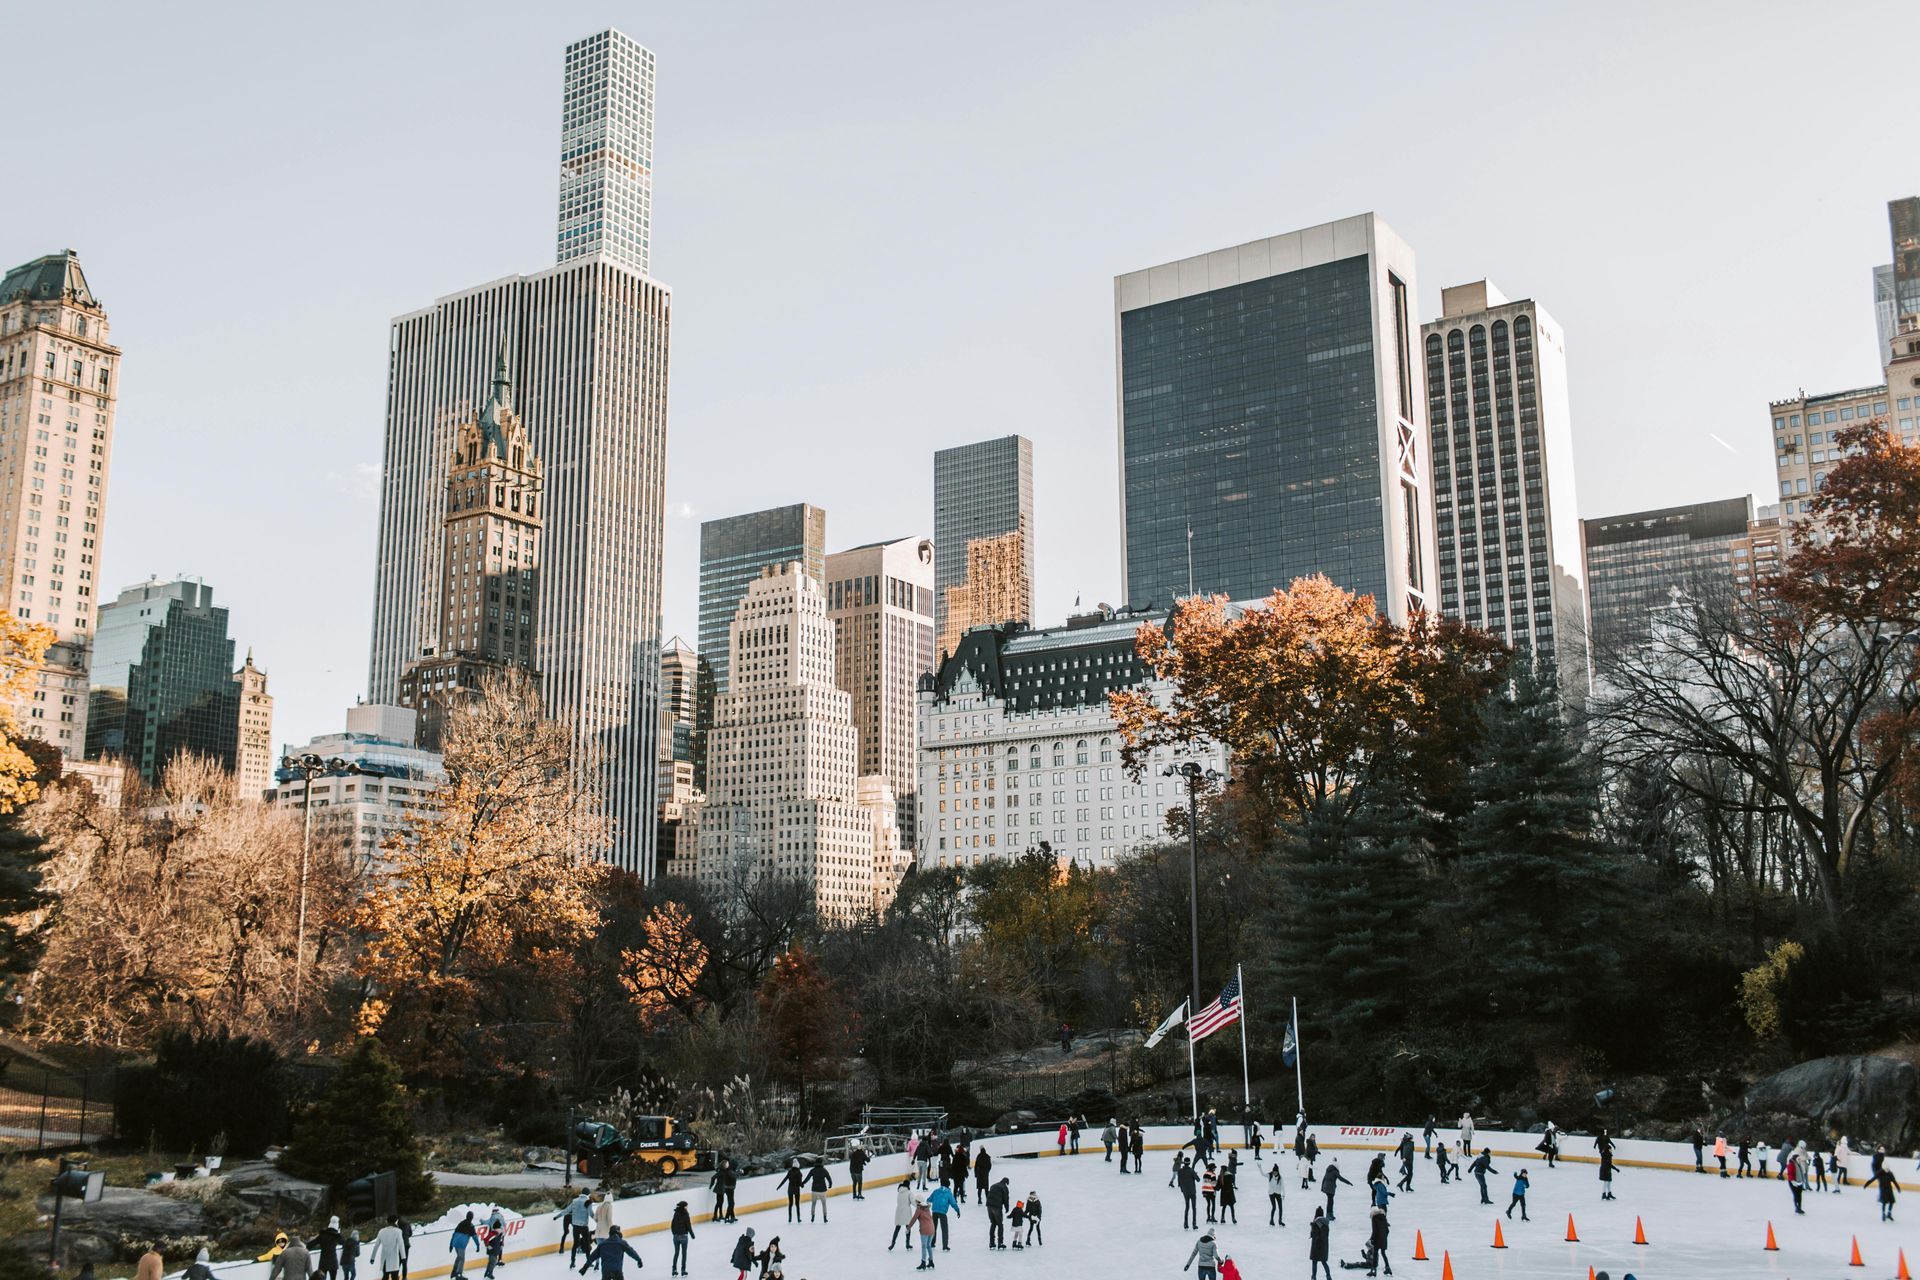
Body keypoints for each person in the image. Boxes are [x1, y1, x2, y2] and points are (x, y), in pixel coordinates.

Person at [557, 1192, 594, 1264]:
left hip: (574, 1222)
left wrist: (558, 1216)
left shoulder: (575, 1203)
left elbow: (567, 1210)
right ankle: (563, 1248)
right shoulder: (580, 1203)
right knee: (567, 1233)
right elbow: (567, 1211)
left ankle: (573, 1260)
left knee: (574, 1240)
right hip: (572, 1221)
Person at [929, 1181, 959, 1250]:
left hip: (935, 1212)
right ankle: (945, 1246)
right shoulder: (948, 1193)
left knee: (933, 1228)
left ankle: (932, 1243)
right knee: (944, 1229)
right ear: (948, 1186)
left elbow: (929, 1199)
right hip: (942, 1213)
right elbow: (953, 1203)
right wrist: (957, 1210)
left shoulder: (936, 1191)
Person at [667, 1202, 693, 1278]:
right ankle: (683, 1270)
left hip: (676, 1237)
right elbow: (688, 1226)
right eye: (686, 1206)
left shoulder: (676, 1213)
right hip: (683, 1236)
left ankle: (674, 1270)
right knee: (684, 1254)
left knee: (676, 1253)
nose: (687, 1207)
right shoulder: (686, 1214)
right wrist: (692, 1235)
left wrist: (674, 1234)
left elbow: (672, 1225)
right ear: (684, 1207)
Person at [1321, 1156, 1351, 1221]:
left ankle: (1330, 1214)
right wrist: (1348, 1182)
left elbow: (1324, 1178)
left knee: (1330, 1201)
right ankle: (1328, 1215)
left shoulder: (1328, 1170)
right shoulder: (1335, 1171)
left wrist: (1322, 1188)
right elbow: (1340, 1178)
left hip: (1326, 1187)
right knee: (1330, 1202)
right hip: (1330, 1188)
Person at [449, 1214, 478, 1280]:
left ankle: (454, 1272)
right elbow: (474, 1237)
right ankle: (459, 1274)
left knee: (459, 1257)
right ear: (472, 1218)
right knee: (462, 1259)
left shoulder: (461, 1223)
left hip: (455, 1243)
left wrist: (451, 1245)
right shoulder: (471, 1226)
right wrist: (478, 1245)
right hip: (461, 1244)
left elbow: (454, 1234)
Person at [1367, 1204, 1393, 1277]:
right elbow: (1387, 1230)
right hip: (1384, 1239)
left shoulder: (1374, 1218)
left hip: (1377, 1239)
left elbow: (1374, 1231)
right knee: (1383, 1253)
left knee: (1375, 1254)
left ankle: (1373, 1270)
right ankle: (1388, 1268)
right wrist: (1384, 1237)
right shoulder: (1384, 1217)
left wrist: (1371, 1239)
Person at [710, 1156, 738, 1223]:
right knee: (719, 1203)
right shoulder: (721, 1172)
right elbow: (713, 1177)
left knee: (721, 1202)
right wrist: (711, 1185)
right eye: (726, 1165)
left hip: (723, 1189)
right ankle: (715, 1216)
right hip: (719, 1189)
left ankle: (721, 1215)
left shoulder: (726, 1171)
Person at [913, 1196, 936, 1271]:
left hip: (925, 1230)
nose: (915, 1203)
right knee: (928, 1246)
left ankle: (923, 1263)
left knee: (924, 1246)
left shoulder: (919, 1209)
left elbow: (914, 1219)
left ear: (919, 1202)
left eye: (916, 1201)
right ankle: (931, 1262)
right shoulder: (927, 1208)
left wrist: (908, 1228)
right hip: (932, 1229)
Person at [987, 1176, 1011, 1248]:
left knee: (993, 1223)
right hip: (997, 1207)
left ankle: (991, 1243)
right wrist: (1007, 1208)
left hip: (989, 1206)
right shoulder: (1004, 1187)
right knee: (1000, 1224)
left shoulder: (993, 1185)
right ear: (1006, 1183)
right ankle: (1000, 1243)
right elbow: (1006, 1198)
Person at [806, 1157, 833, 1222]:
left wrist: (802, 1184)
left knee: (813, 1204)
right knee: (824, 1204)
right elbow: (829, 1178)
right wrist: (830, 1185)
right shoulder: (824, 1170)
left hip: (814, 1190)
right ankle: (825, 1218)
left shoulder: (813, 1170)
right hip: (822, 1190)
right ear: (821, 1163)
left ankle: (812, 1217)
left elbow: (807, 1178)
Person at [1309, 1206, 1332, 1280]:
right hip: (1324, 1246)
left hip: (1317, 1246)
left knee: (1314, 1262)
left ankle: (1313, 1277)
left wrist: (1312, 1226)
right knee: (1324, 1262)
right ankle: (1328, 1276)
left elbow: (1315, 1235)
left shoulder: (1316, 1223)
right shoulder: (1326, 1223)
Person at [1178, 1156, 1200, 1229]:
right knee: (1194, 1208)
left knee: (1187, 1207)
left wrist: (1182, 1190)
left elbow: (1179, 1182)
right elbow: (1198, 1179)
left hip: (1185, 1192)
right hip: (1192, 1192)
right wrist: (1195, 1174)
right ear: (1189, 1163)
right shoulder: (1191, 1170)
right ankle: (1194, 1224)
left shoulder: (1180, 1171)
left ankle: (1185, 1224)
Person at [483, 1210, 506, 1280]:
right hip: (491, 1250)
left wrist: (502, 1244)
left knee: (491, 1262)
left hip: (496, 1250)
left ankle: (487, 1273)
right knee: (492, 1262)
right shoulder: (492, 1234)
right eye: (499, 1228)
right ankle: (489, 1274)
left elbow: (501, 1240)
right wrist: (488, 1245)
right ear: (496, 1228)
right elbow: (485, 1239)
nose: (500, 1229)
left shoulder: (500, 1234)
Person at [781, 1158, 804, 1222]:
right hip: (796, 1190)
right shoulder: (799, 1173)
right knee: (797, 1205)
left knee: (790, 1204)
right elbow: (800, 1183)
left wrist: (779, 1186)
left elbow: (784, 1179)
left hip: (790, 1190)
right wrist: (802, 1185)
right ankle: (798, 1219)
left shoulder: (790, 1172)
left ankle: (790, 1218)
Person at [1786, 1144, 1807, 1215]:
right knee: (1796, 1195)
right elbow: (1790, 1174)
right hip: (1793, 1182)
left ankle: (1799, 1208)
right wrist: (1792, 1181)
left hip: (1799, 1181)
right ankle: (1797, 1208)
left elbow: (1801, 1172)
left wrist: (1802, 1180)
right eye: (1797, 1157)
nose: (1798, 1158)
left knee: (1799, 1195)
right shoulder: (1791, 1164)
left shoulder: (1798, 1163)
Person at [1267, 1160, 1287, 1226]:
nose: (1274, 1173)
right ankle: (1271, 1220)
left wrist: (1283, 1194)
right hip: (1271, 1193)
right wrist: (1260, 1168)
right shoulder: (1270, 1175)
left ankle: (1280, 1221)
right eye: (1273, 1172)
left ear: (1278, 1172)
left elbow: (1283, 1186)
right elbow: (1263, 1174)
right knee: (1274, 1207)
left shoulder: (1280, 1178)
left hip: (1278, 1193)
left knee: (1280, 1208)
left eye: (1276, 1172)